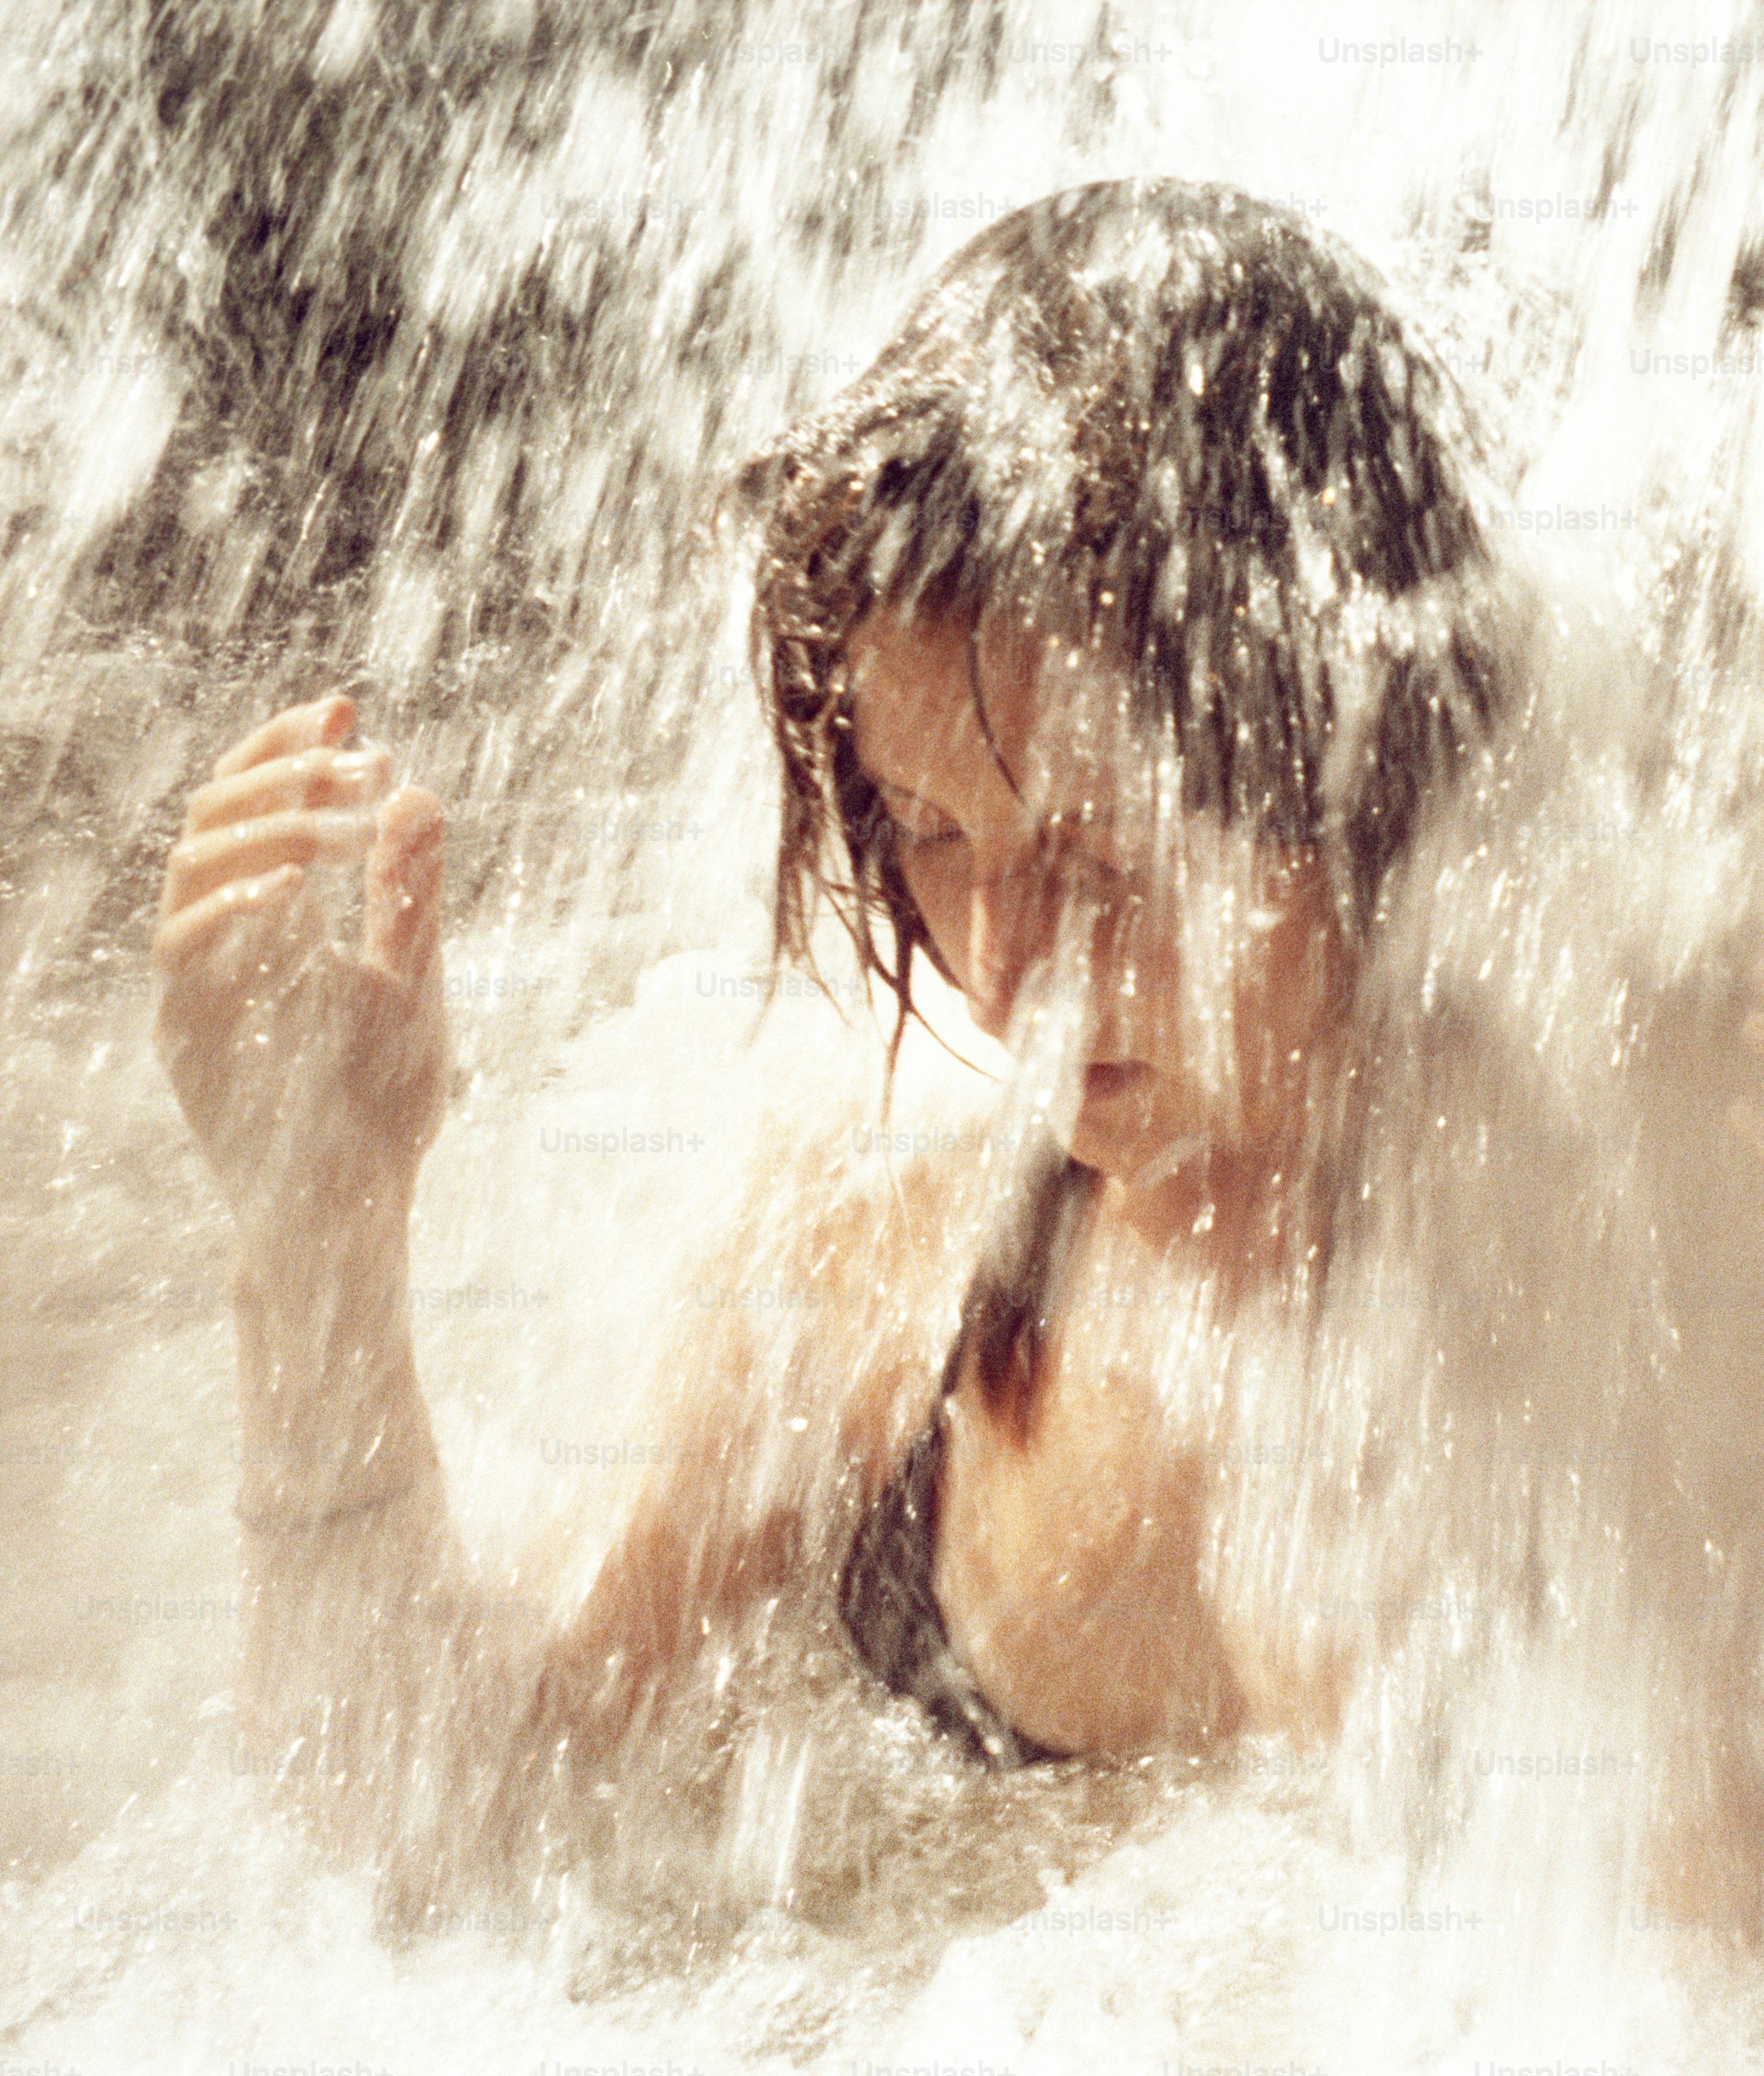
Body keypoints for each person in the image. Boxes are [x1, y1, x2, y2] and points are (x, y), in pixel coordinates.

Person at [149, 180, 1514, 1832]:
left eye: (1096, 844)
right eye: (933, 832)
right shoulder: (875, 1277)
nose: (1010, 968)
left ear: (1357, 749)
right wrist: (321, 1231)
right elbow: (444, 1842)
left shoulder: (1628, 1262)